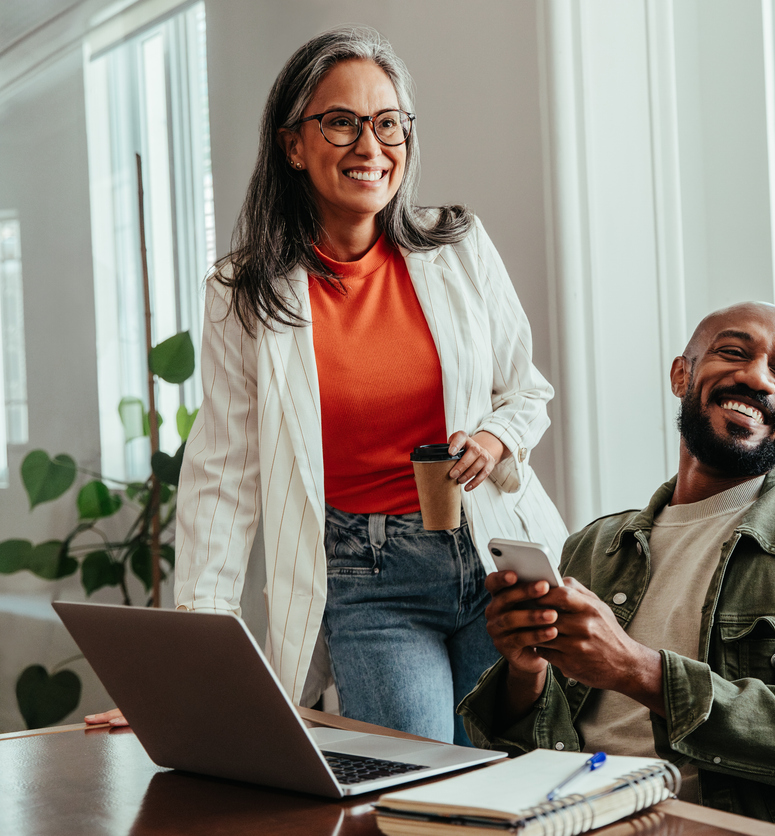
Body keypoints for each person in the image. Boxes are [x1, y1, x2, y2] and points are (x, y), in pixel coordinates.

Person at [87, 26, 567, 745]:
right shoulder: (243, 292)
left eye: (388, 123)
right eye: (341, 123)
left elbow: (526, 392)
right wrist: (189, 674)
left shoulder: (458, 246)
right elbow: (222, 476)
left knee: (512, 770)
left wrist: (498, 437)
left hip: (492, 556)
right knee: (414, 783)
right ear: (294, 144)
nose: (370, 146)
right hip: (369, 580)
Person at [459, 302, 775, 835]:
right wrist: (525, 671)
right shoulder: (594, 545)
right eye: (733, 353)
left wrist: (636, 669)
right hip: (567, 817)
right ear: (682, 375)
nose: (756, 377)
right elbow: (527, 747)